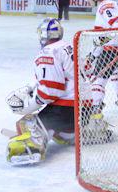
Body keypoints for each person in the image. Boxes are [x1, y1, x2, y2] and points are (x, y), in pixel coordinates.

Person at [5, 19, 78, 165]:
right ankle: (75, 131)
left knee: (27, 122)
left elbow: (51, 91)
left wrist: (30, 105)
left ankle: (32, 146)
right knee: (56, 122)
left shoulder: (48, 52)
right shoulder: (69, 46)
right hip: (85, 108)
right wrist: (31, 87)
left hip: (68, 110)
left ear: (44, 35)